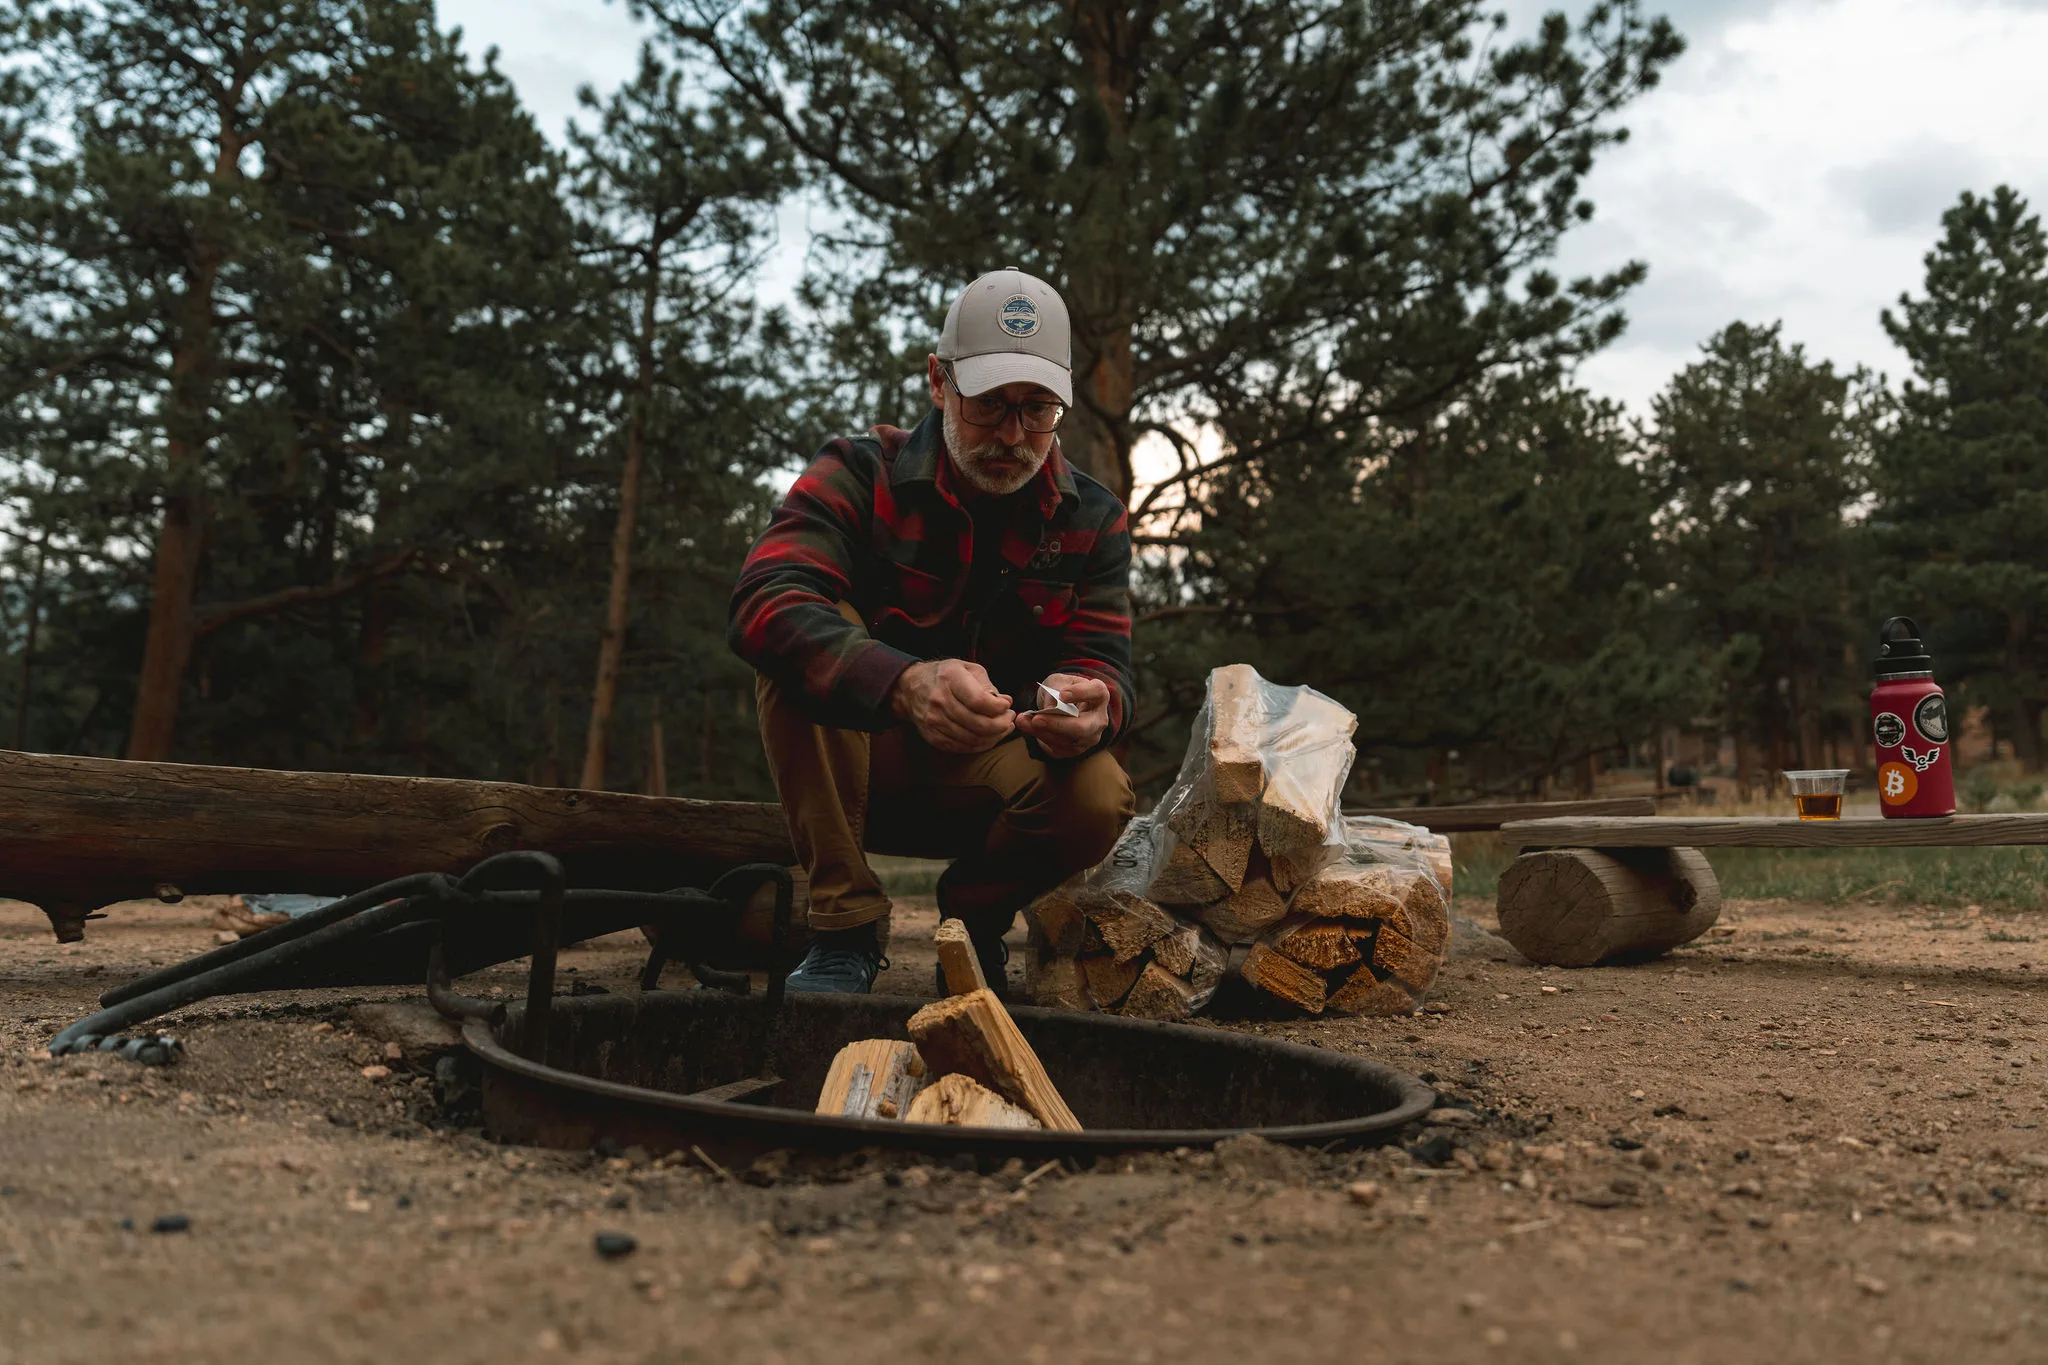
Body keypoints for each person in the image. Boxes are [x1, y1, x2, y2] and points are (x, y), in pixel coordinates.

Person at [728, 268, 1137, 994]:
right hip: (852, 775)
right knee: (805, 641)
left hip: (993, 784)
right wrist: (905, 683)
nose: (1014, 436)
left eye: (1037, 410)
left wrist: (1094, 701)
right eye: (990, 406)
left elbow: (1105, 657)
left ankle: (974, 924)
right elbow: (765, 600)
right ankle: (843, 927)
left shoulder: (1093, 517)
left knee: (1102, 792)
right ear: (938, 381)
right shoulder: (858, 472)